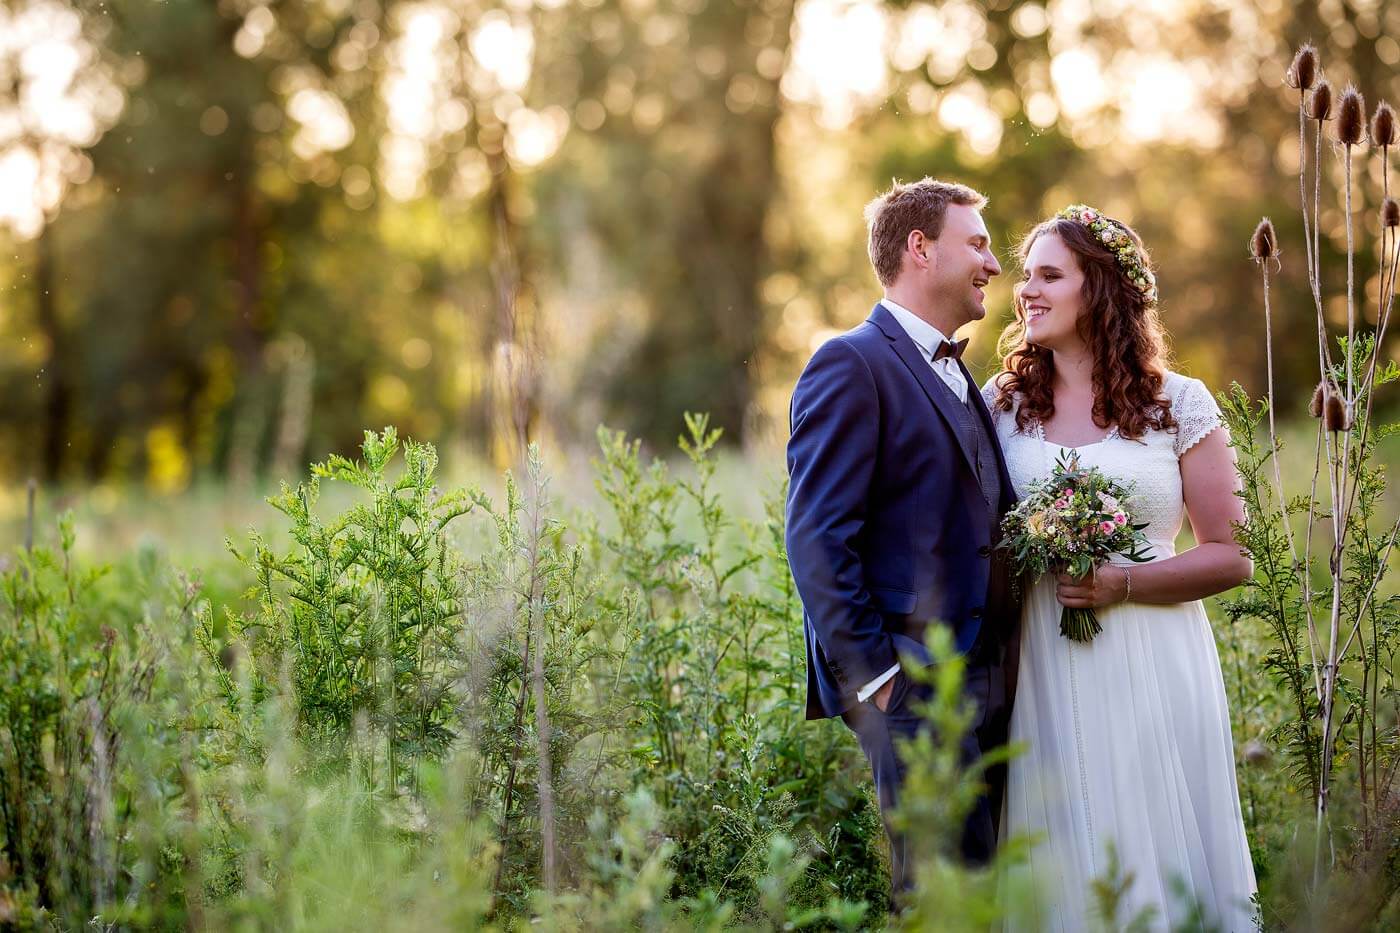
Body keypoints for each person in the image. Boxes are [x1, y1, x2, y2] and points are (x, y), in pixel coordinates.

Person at [984, 205, 1259, 931]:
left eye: (1050, 275)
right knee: (1060, 845)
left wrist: (1121, 582)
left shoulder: (1179, 404)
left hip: (1153, 659)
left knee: (1150, 847)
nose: (1027, 291)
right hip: (1041, 657)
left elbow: (1231, 555)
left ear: (1099, 289)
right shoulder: (1002, 406)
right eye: (1025, 275)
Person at [785, 177, 1022, 898]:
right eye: (977, 244)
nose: (992, 264)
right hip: (913, 690)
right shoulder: (850, 363)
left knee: (983, 890)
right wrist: (882, 682)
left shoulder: (958, 372)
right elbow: (817, 537)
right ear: (920, 248)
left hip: (987, 688)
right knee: (940, 896)